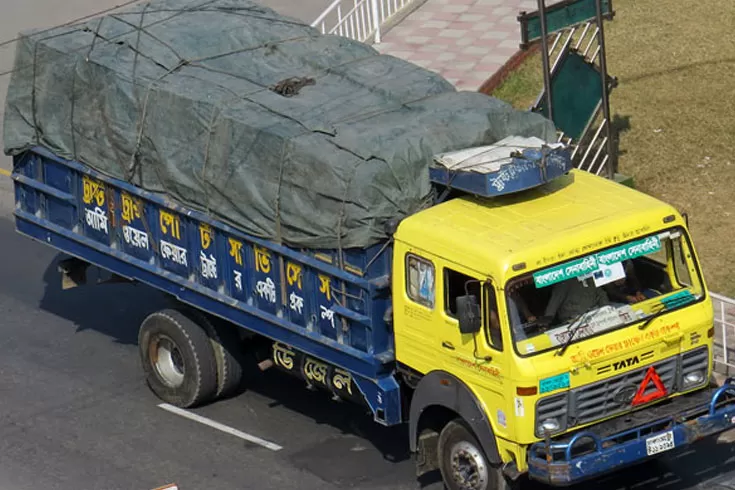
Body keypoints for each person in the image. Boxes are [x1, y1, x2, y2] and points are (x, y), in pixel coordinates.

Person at [544, 277, 610, 325]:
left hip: (595, 316)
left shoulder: (590, 278)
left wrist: (606, 310)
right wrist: (548, 317)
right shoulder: (564, 282)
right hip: (574, 320)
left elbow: (601, 295)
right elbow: (555, 300)